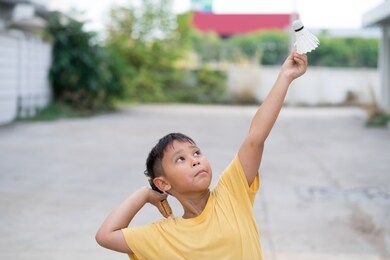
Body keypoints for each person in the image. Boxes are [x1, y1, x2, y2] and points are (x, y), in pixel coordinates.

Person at [95, 52, 308, 259]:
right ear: (163, 183)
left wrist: (286, 77)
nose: (195, 160)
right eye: (181, 159)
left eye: (196, 152)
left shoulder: (232, 195)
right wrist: (144, 194)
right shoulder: (163, 235)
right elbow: (106, 235)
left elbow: (255, 139)